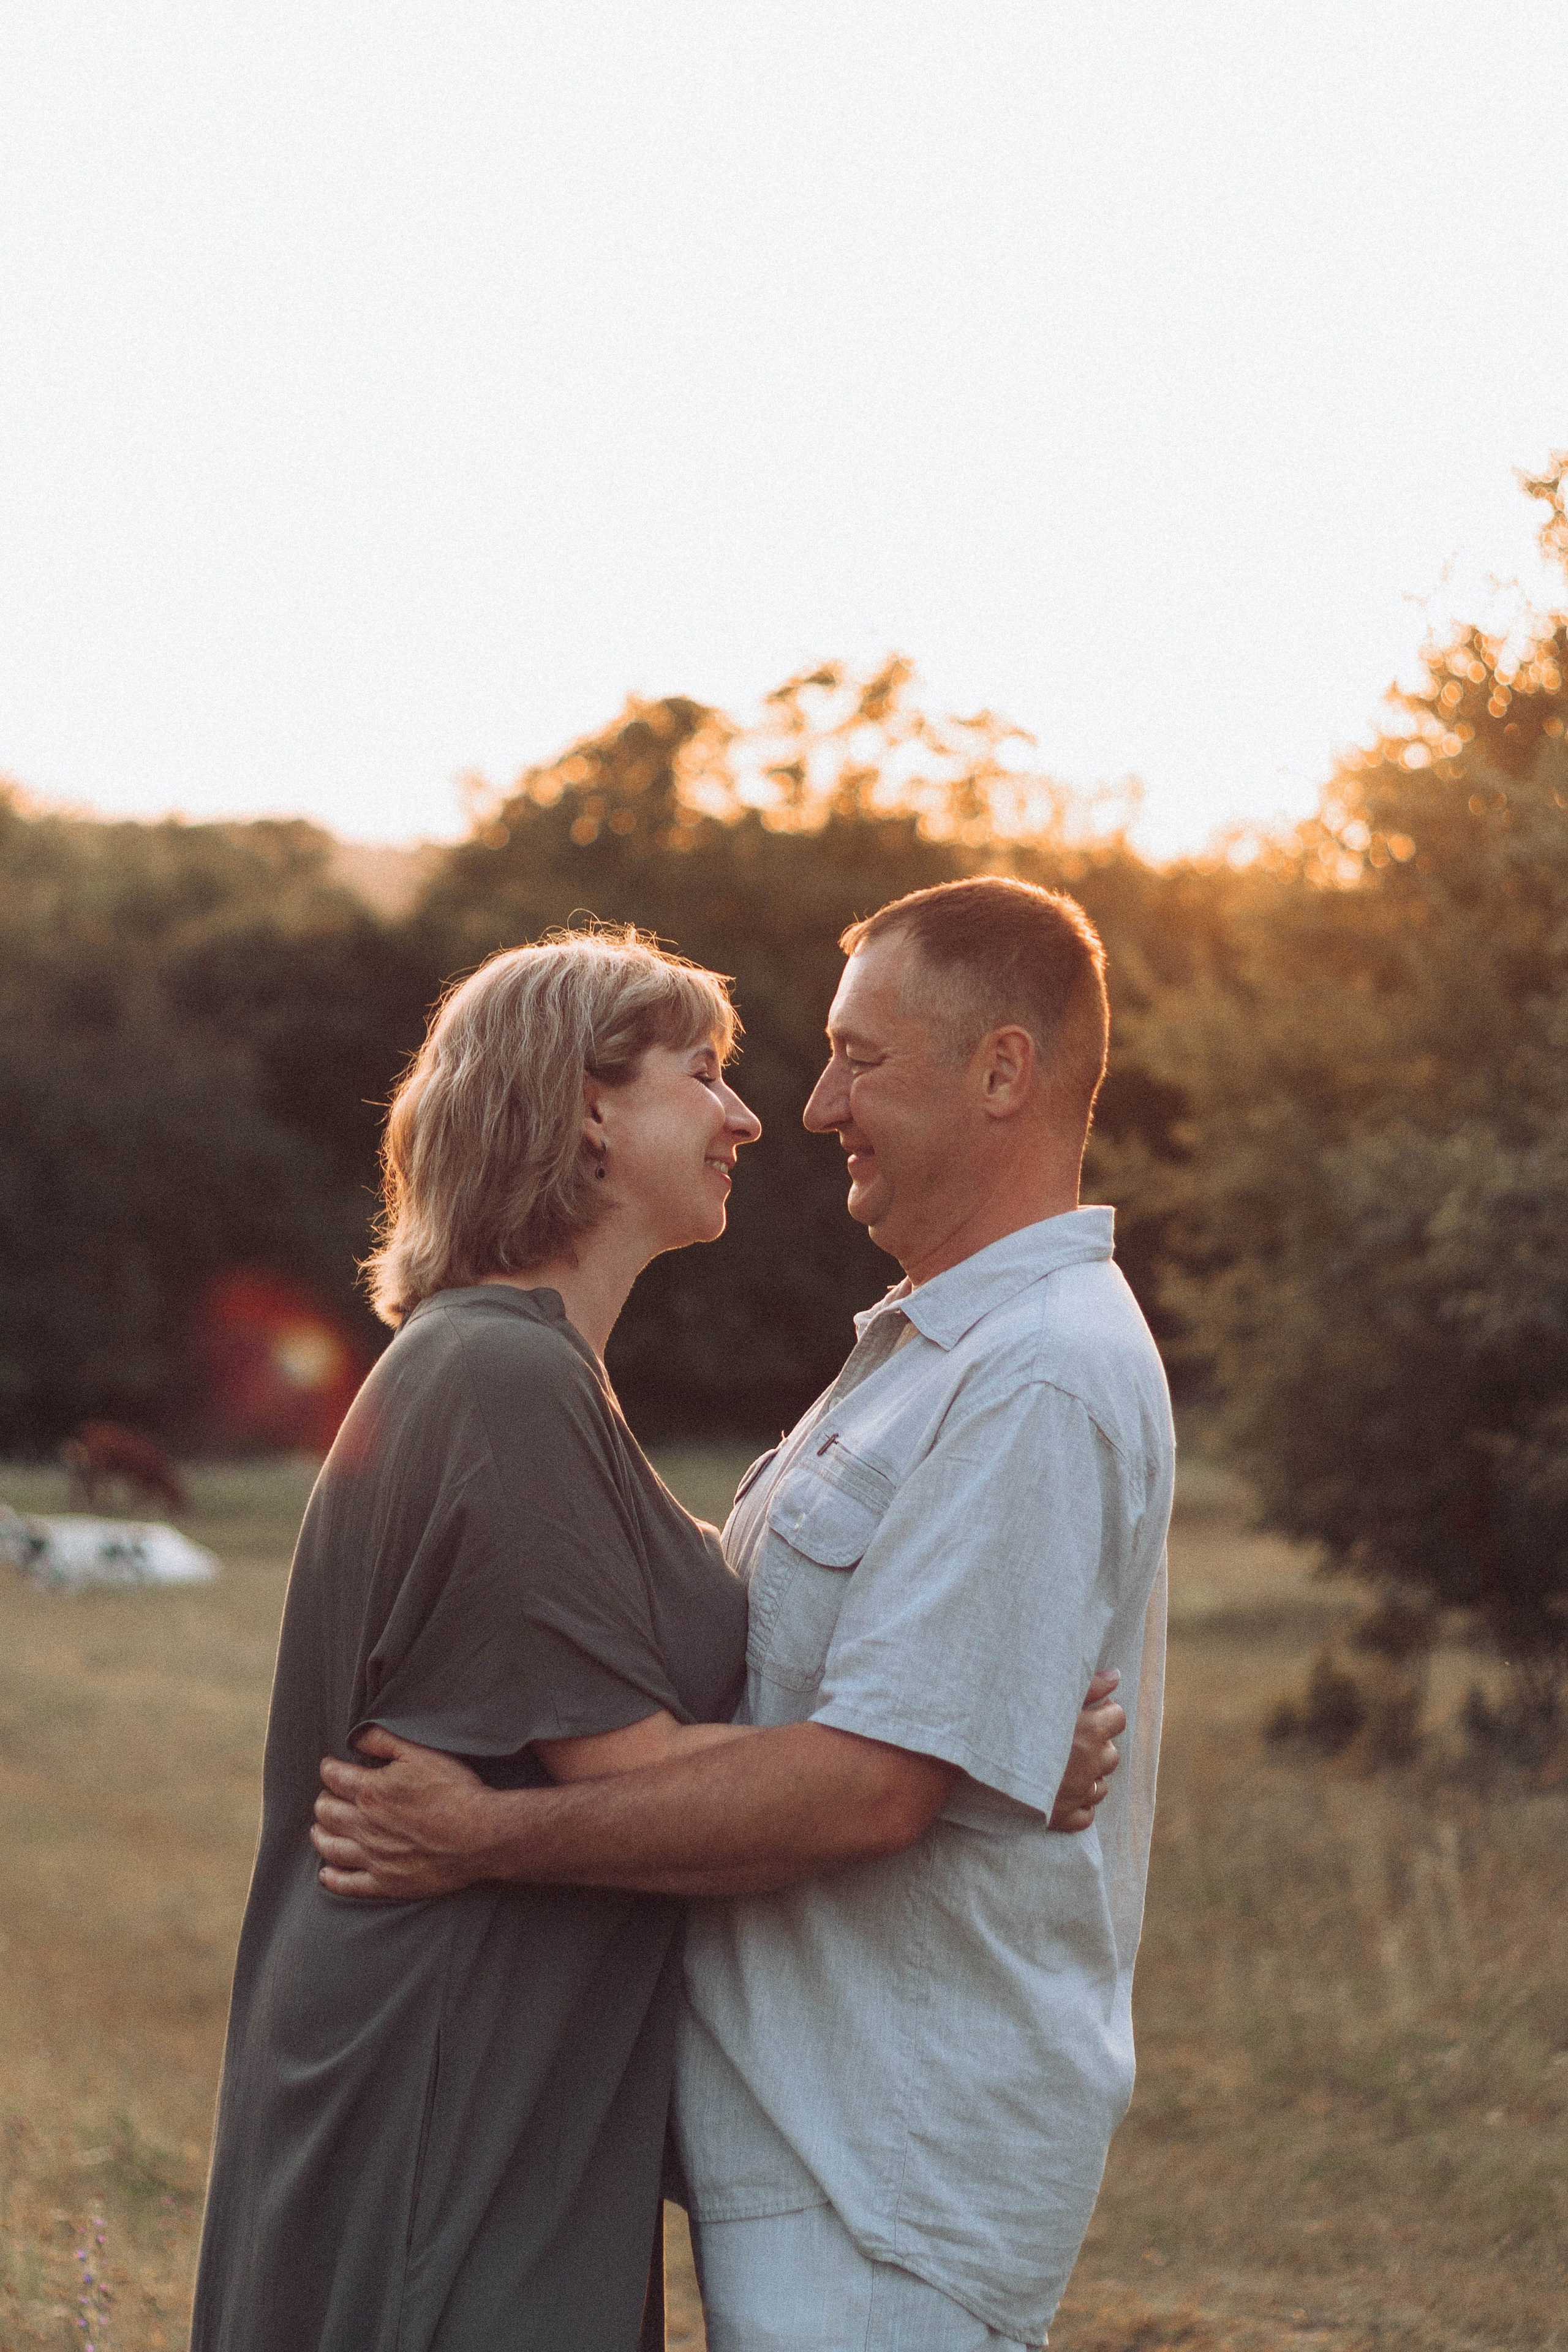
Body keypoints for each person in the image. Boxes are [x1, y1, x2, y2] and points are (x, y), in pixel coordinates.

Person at [314, 876, 1173, 2352]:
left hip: (886, 2174)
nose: (810, 1103)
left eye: (860, 1057)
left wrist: (483, 1835)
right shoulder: (916, 1354)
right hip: (803, 2146)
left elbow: (868, 1789)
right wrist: (987, 1730)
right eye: (749, 1069)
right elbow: (771, 1672)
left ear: (1003, 1072)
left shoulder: (1027, 1369)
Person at [192, 929, 768, 2352]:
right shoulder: (504, 1377)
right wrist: (949, 1765)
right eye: (704, 1075)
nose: (746, 1117)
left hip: (505, 2054)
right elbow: (637, 1781)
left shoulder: (524, 1368)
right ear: (585, 1107)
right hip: (448, 2068)